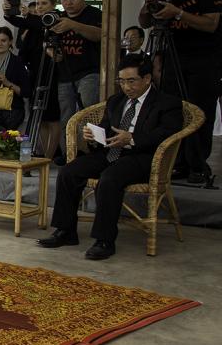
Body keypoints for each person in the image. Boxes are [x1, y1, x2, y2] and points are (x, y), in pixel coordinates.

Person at [40, 55, 183, 260]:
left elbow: (166, 134)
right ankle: (65, 231)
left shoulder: (167, 103)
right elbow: (106, 130)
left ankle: (104, 240)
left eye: (131, 81)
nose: (126, 87)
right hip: (111, 152)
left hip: (143, 157)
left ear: (147, 78)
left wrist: (132, 138)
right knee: (69, 171)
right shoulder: (116, 101)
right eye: (122, 81)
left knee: (109, 179)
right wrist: (92, 137)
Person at [138, 0, 221, 184]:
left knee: (199, 109)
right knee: (172, 109)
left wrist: (178, 14)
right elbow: (144, 22)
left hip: (205, 57)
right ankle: (176, 162)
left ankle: (197, 164)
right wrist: (147, 9)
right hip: (172, 55)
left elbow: (211, 24)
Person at [4, 0, 62, 160]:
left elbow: (39, 24)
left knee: (52, 116)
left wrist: (28, 15)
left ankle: (50, 155)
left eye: (44, 3)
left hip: (51, 72)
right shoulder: (34, 23)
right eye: (38, 3)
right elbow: (17, 22)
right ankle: (43, 153)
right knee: (41, 118)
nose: (40, 7)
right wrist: (8, 11)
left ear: (53, 5)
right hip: (35, 72)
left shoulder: (55, 19)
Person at [52, 0, 104, 151]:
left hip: (90, 72)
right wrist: (52, 52)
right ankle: (70, 154)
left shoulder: (95, 14)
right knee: (66, 118)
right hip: (65, 74)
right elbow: (47, 43)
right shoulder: (57, 17)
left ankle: (91, 151)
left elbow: (101, 35)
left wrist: (72, 25)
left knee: (87, 114)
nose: (68, 3)